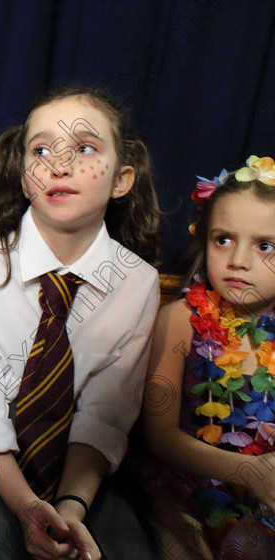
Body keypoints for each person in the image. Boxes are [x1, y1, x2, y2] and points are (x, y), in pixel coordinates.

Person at [0, 86, 162, 559]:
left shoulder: (137, 282)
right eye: (40, 151)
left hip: (75, 474)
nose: (58, 164)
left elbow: (104, 416)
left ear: (122, 179)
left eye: (85, 149)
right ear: (23, 176)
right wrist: (28, 506)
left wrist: (71, 508)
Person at [143, 156, 275, 559]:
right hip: (186, 493)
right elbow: (159, 436)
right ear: (204, 240)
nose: (238, 260)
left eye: (265, 246)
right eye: (224, 239)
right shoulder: (180, 322)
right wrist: (246, 472)